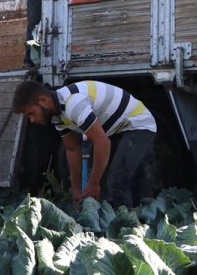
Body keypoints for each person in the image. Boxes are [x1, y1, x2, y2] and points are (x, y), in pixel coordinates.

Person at [12, 79, 156, 208]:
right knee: (109, 182)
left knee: (118, 179)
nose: (31, 120)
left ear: (43, 100)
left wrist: (93, 183)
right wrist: (76, 190)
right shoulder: (57, 116)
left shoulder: (73, 104)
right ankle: (133, 220)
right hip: (116, 129)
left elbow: (102, 142)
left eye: (31, 113)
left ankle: (125, 230)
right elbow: (73, 149)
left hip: (138, 124)